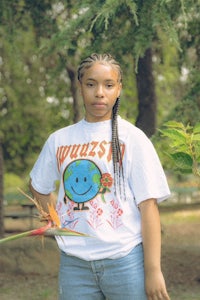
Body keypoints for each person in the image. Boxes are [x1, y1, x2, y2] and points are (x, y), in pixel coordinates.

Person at [29, 53, 171, 300]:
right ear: (80, 86)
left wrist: (153, 270)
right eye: (91, 84)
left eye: (108, 84)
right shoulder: (59, 140)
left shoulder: (133, 139)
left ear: (119, 89)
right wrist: (56, 219)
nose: (99, 93)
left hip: (126, 262)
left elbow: (149, 207)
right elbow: (38, 186)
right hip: (75, 266)